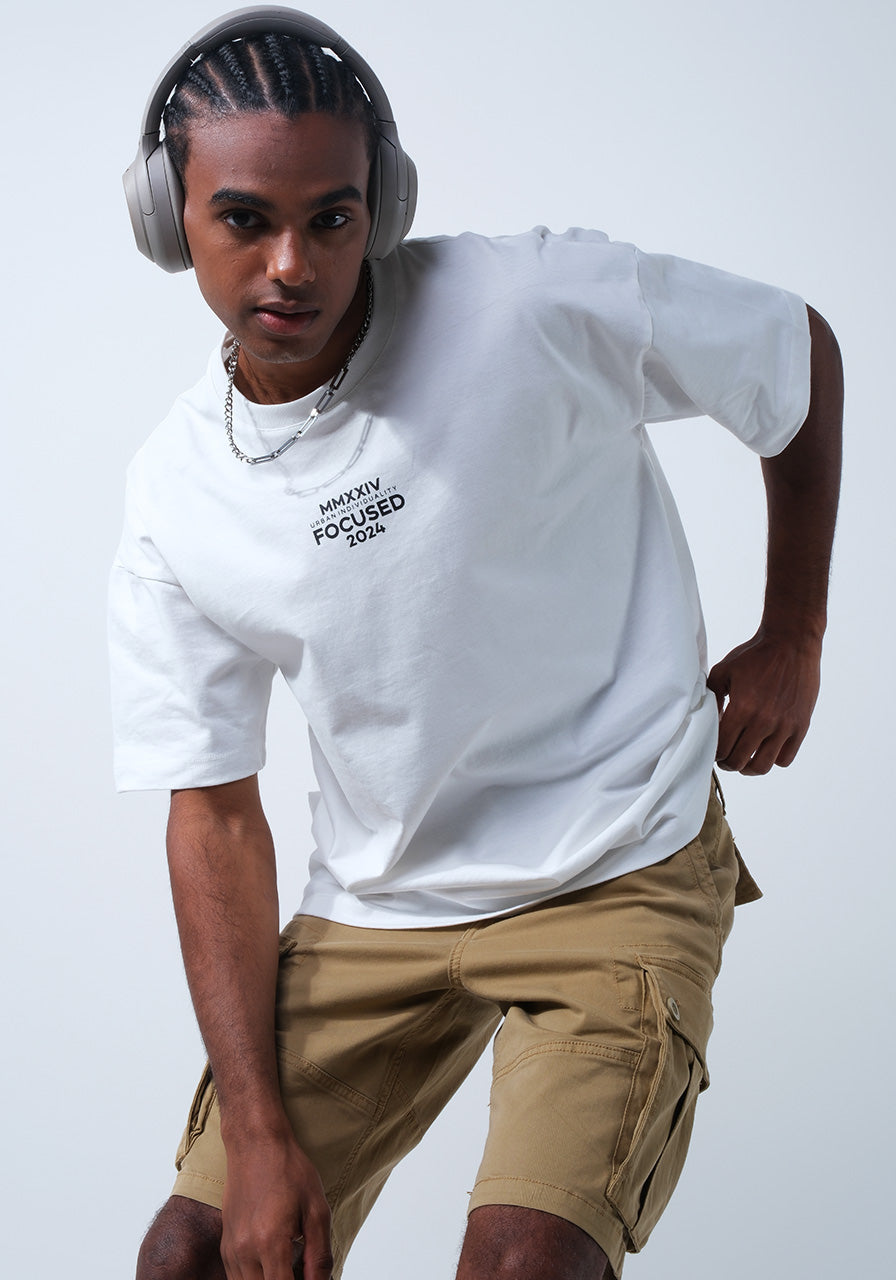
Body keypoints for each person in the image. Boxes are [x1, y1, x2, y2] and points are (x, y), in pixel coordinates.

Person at [110, 8, 843, 1280]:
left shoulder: (527, 303)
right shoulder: (178, 494)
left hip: (615, 858)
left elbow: (794, 353)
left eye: (332, 218)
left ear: (381, 206)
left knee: (518, 1265)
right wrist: (262, 1134)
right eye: (244, 219)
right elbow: (213, 815)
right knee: (194, 1254)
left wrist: (795, 630)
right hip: (381, 896)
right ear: (168, 218)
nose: (291, 263)